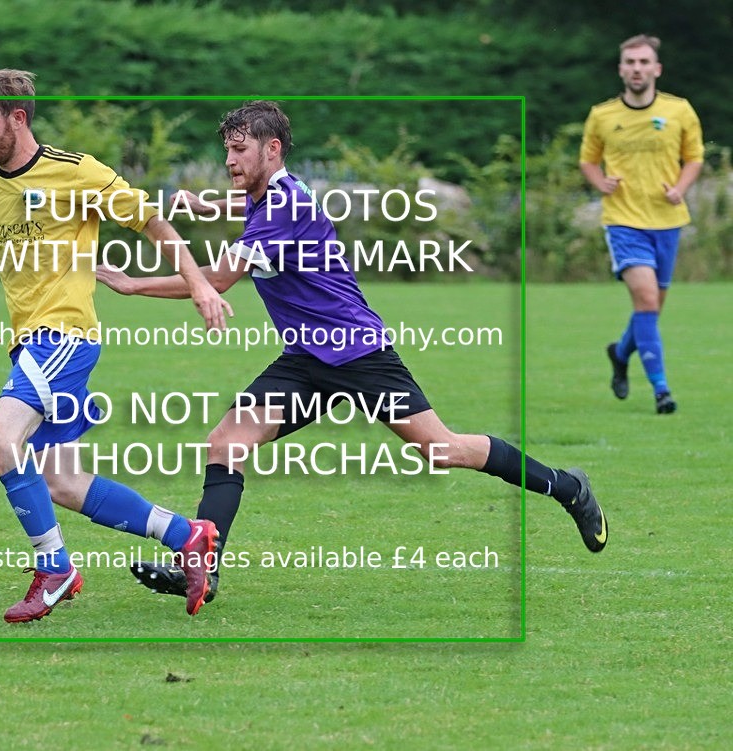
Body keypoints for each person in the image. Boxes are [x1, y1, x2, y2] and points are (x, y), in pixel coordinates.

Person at [97, 101, 609, 608]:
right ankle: (202, 569)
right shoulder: (269, 194)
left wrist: (133, 285)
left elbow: (219, 279)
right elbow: (247, 206)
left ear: (272, 149)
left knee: (442, 449)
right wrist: (212, 206)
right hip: (306, 360)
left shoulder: (282, 207)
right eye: (226, 150)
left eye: (239, 149)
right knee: (227, 442)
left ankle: (567, 487)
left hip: (358, 353)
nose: (229, 160)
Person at [0, 69, 232, 620]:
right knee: (61, 482)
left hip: (65, 337)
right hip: (28, 343)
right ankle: (186, 534)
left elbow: (153, 223)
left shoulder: (76, 172)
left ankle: (55, 569)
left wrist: (200, 284)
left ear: (18, 118)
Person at [580, 34, 704, 414]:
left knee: (651, 309)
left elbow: (694, 157)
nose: (637, 68)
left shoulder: (679, 110)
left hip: (668, 221)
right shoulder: (602, 115)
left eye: (644, 62)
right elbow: (588, 160)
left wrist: (680, 188)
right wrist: (600, 182)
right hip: (623, 221)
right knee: (647, 301)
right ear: (621, 69)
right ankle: (662, 391)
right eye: (630, 62)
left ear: (657, 69)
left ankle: (620, 353)